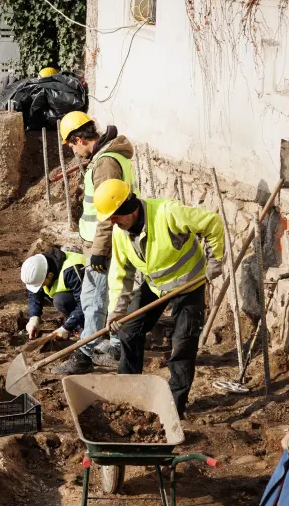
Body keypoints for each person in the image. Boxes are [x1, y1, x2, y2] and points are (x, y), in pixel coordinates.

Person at [96, 179, 224, 418]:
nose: (114, 223)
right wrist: (117, 310)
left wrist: (215, 259)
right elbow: (121, 273)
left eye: (115, 217)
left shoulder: (168, 213)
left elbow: (212, 223)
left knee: (182, 345)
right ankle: (128, 392)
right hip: (156, 287)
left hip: (188, 285)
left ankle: (175, 407)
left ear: (130, 207)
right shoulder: (120, 233)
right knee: (128, 331)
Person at [53, 111, 137, 374]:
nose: (73, 151)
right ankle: (113, 346)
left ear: (78, 138)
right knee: (110, 296)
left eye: (71, 145)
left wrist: (99, 251)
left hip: (105, 243)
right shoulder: (107, 158)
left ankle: (85, 354)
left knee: (93, 300)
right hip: (108, 240)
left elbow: (107, 211)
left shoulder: (106, 163)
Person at [20, 247, 85, 342]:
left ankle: (83, 326)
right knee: (59, 299)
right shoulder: (40, 268)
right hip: (76, 297)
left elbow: (85, 302)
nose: (41, 286)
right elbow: (34, 294)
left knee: (60, 300)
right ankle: (74, 323)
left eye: (42, 284)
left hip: (99, 302)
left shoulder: (72, 270)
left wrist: (66, 327)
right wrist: (34, 317)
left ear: (50, 275)